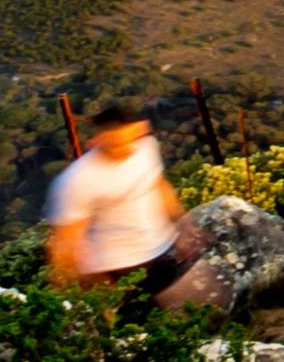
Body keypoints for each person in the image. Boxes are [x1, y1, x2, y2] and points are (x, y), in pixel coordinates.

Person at [44, 100, 215, 304]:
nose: (125, 149)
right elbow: (68, 243)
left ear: (141, 130)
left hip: (160, 250)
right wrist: (96, 289)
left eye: (130, 139)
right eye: (116, 143)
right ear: (97, 139)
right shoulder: (77, 180)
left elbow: (159, 186)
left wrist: (183, 226)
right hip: (115, 269)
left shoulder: (146, 148)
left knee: (194, 313)